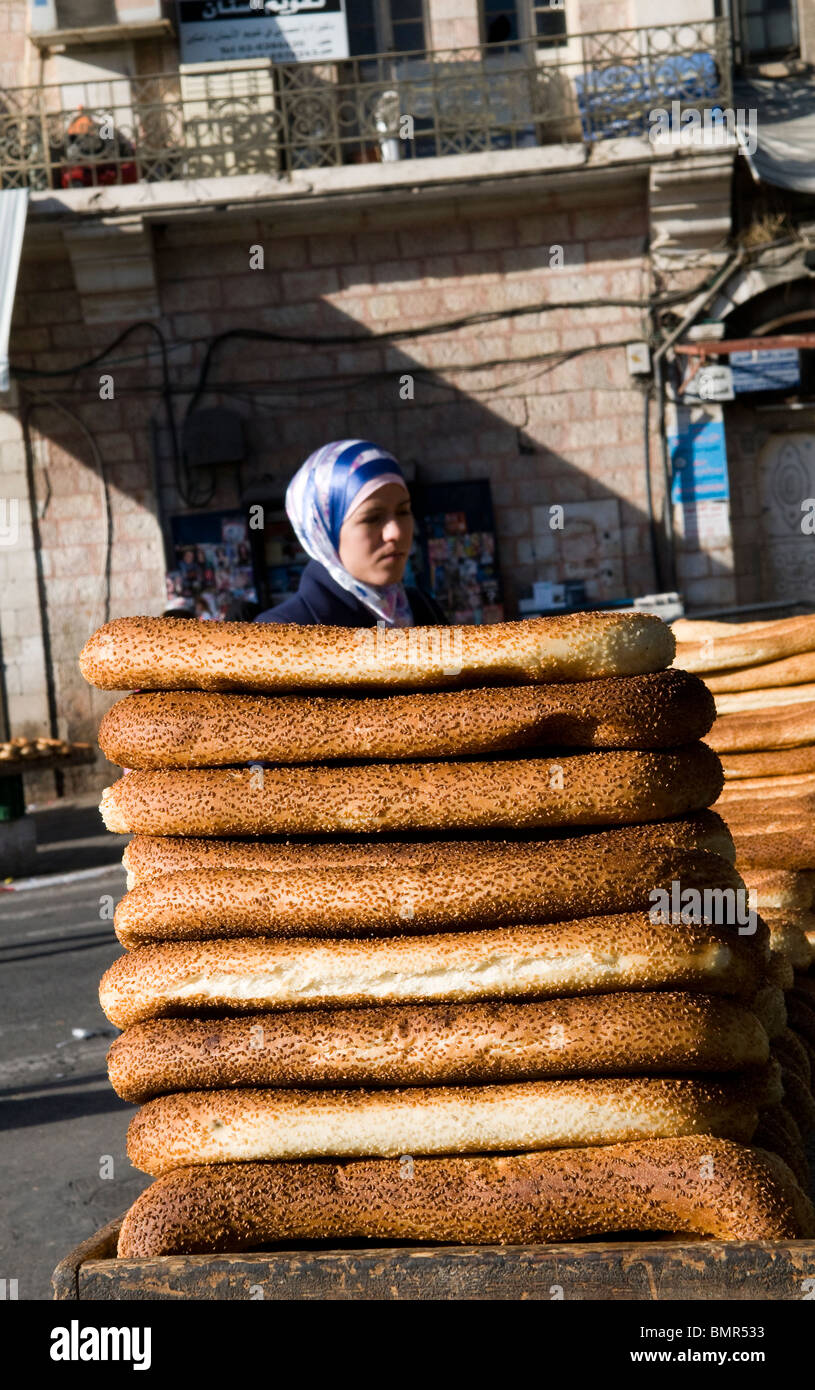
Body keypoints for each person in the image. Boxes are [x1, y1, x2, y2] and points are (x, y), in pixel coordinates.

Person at [255, 440, 446, 627]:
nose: (395, 532)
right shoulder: (283, 633)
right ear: (323, 534)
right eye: (372, 518)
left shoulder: (423, 610)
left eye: (403, 512)